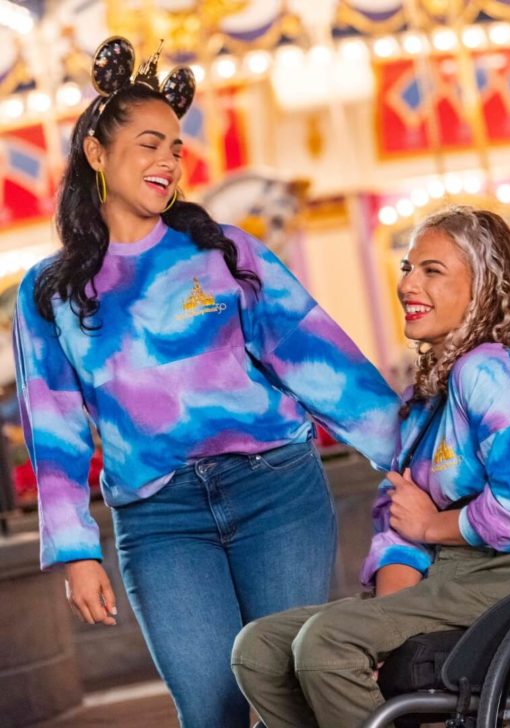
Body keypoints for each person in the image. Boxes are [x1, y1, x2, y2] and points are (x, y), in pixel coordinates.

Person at [12, 37, 400, 728]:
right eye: (150, 144)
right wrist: (75, 552)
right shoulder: (50, 290)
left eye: (177, 149)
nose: (168, 161)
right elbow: (56, 430)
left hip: (275, 490)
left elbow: (318, 359)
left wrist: (412, 461)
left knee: (294, 699)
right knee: (212, 709)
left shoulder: (223, 250)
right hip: (159, 520)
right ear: (96, 154)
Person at [232, 205, 510, 728]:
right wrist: (383, 626)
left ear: (481, 287)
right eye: (407, 269)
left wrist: (433, 525)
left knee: (323, 645)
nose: (408, 284)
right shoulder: (425, 396)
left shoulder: (486, 371)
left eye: (432, 271)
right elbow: (395, 526)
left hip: (507, 576)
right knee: (257, 649)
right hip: (442, 577)